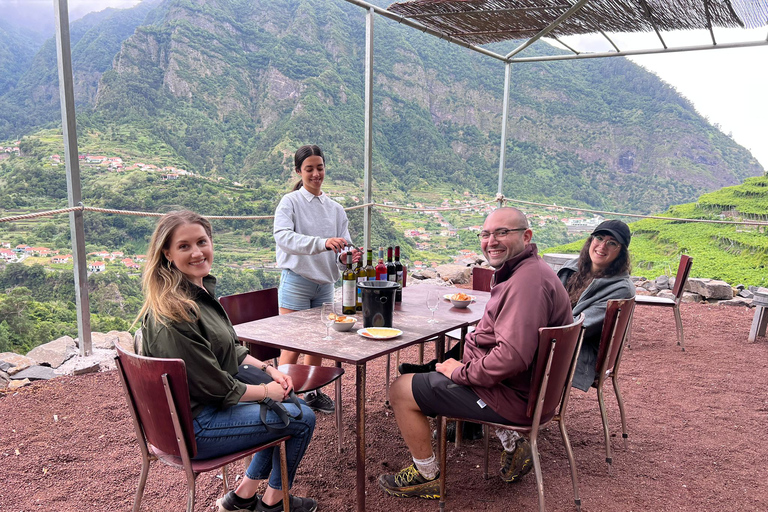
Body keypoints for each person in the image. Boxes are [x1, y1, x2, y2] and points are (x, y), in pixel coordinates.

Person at [377, 207, 573, 499]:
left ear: (527, 236)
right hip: (528, 391)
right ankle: (512, 442)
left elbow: (512, 358)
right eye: (486, 234)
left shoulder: (525, 284)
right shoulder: (530, 271)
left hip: (515, 398)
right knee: (444, 365)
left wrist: (460, 373)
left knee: (401, 390)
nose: (491, 240)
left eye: (502, 232)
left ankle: (425, 475)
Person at [137, 210, 318, 512]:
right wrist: (265, 393)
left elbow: (229, 348)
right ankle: (274, 502)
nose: (197, 252)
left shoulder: (195, 293)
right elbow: (216, 387)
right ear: (167, 253)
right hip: (196, 428)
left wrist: (268, 370)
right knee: (300, 417)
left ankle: (243, 496)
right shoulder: (175, 313)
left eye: (201, 242)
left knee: (286, 399)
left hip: (194, 414)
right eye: (184, 246)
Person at [273, 144, 360, 414]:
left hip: (326, 284)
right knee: (292, 345)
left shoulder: (335, 209)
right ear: (299, 171)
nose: (315, 174)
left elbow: (342, 248)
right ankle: (278, 398)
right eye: (309, 169)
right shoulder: (290, 202)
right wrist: (323, 243)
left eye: (319, 168)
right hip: (297, 281)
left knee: (318, 343)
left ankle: (310, 393)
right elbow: (283, 237)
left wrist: (348, 257)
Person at [557, 219, 635, 391]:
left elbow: (578, 326)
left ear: (621, 252)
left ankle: (524, 408)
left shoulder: (620, 289)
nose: (602, 246)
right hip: (557, 338)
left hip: (578, 352)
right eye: (599, 238)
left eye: (612, 243)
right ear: (590, 241)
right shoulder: (570, 269)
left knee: (518, 348)